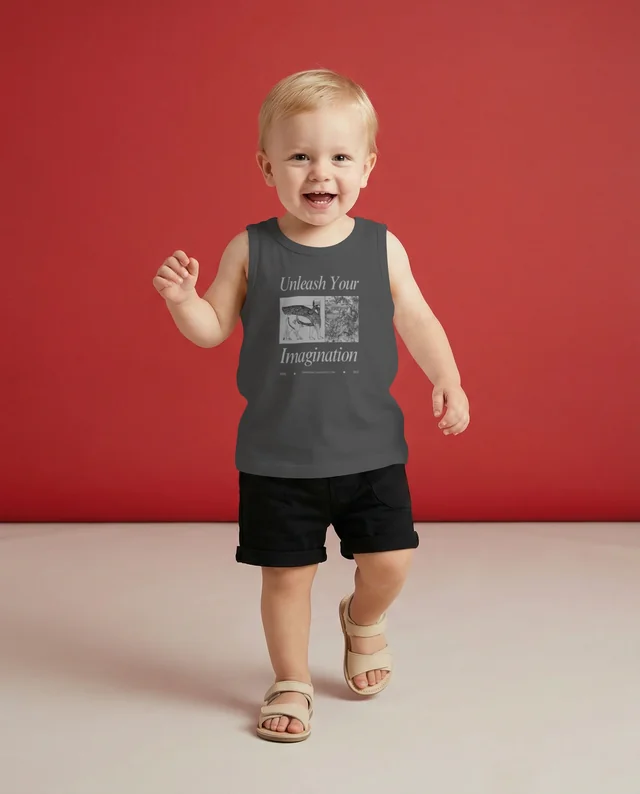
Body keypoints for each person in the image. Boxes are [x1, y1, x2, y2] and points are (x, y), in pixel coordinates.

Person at [152, 69, 470, 743]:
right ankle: (290, 679)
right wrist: (184, 303)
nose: (319, 171)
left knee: (391, 561)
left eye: (339, 156)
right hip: (278, 456)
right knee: (287, 579)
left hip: (370, 450)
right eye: (299, 155)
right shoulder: (251, 249)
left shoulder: (382, 246)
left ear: (367, 167)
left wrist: (448, 378)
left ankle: (362, 618)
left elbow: (416, 316)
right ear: (267, 166)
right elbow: (213, 329)